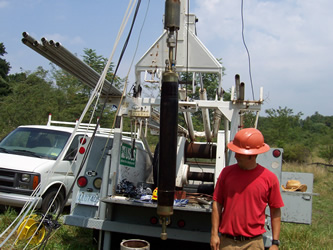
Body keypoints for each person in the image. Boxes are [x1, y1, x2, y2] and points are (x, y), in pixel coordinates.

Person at [210, 128, 284, 250]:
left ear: (251, 155)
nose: (235, 155)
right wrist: (214, 235)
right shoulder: (226, 173)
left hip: (253, 243)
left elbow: (275, 211)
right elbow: (217, 203)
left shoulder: (269, 178)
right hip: (227, 242)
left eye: (239, 153)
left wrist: (275, 243)